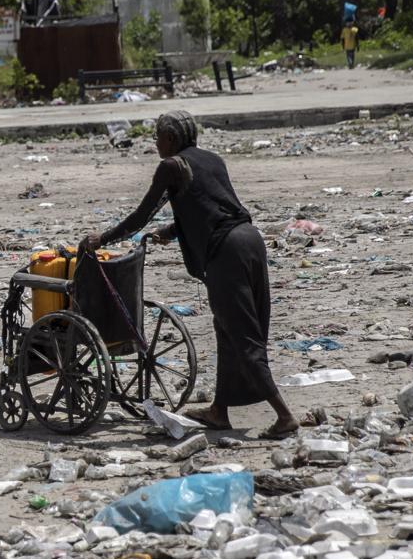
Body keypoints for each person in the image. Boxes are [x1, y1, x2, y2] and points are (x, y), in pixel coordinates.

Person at [79, 111, 298, 439]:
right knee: (226, 329)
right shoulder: (212, 160)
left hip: (227, 251)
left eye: (157, 137)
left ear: (171, 139)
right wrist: (170, 231)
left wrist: (102, 239)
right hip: (250, 240)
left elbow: (141, 215)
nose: (155, 142)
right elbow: (212, 206)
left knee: (241, 333)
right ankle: (219, 410)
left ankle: (284, 415)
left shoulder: (171, 166)